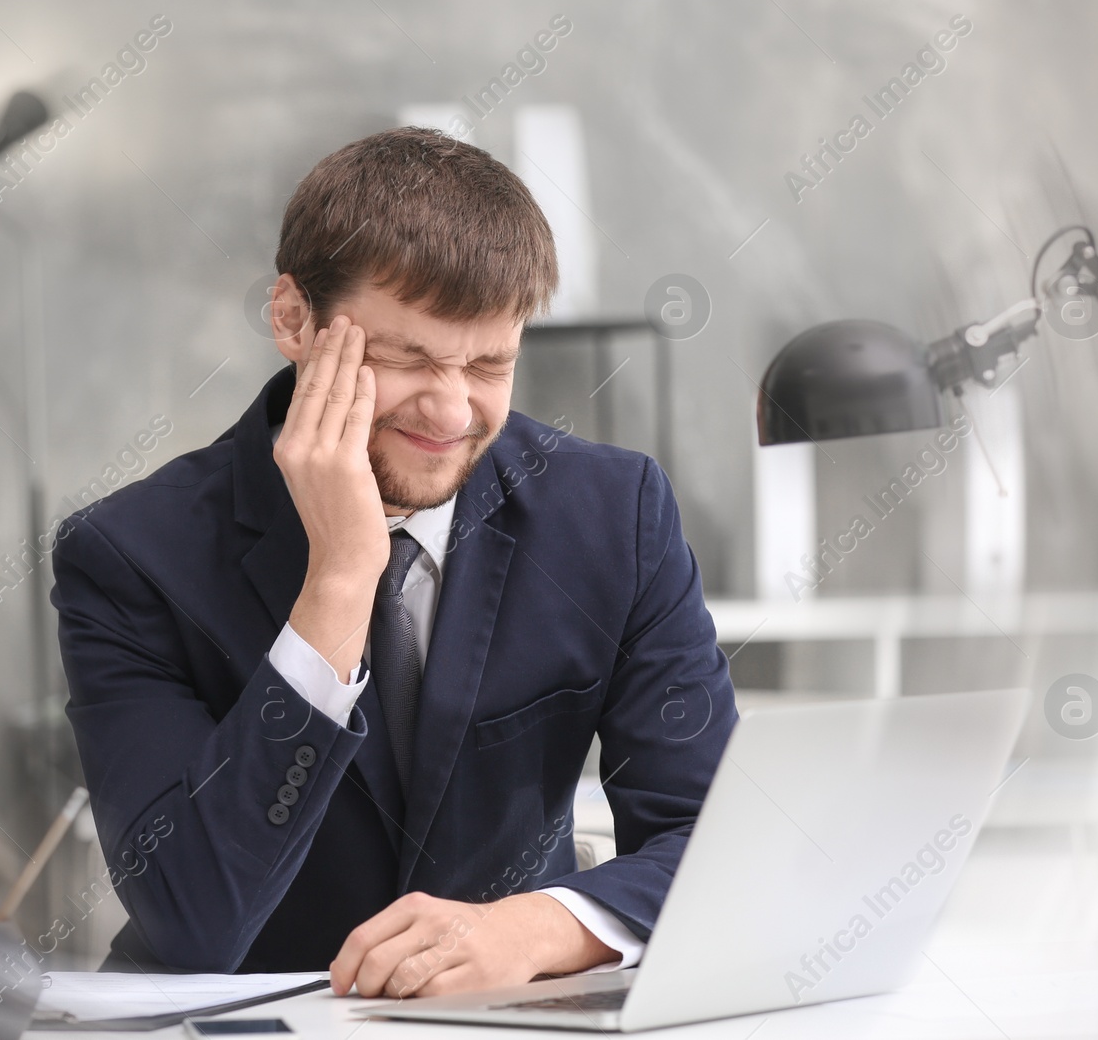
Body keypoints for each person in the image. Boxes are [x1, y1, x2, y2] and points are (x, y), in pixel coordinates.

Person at [51, 126, 737, 999]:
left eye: (490, 364)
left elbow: (712, 839)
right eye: (407, 357)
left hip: (503, 1016)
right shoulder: (131, 556)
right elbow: (191, 916)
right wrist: (338, 581)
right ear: (293, 319)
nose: (451, 411)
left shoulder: (613, 516)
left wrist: (536, 926)